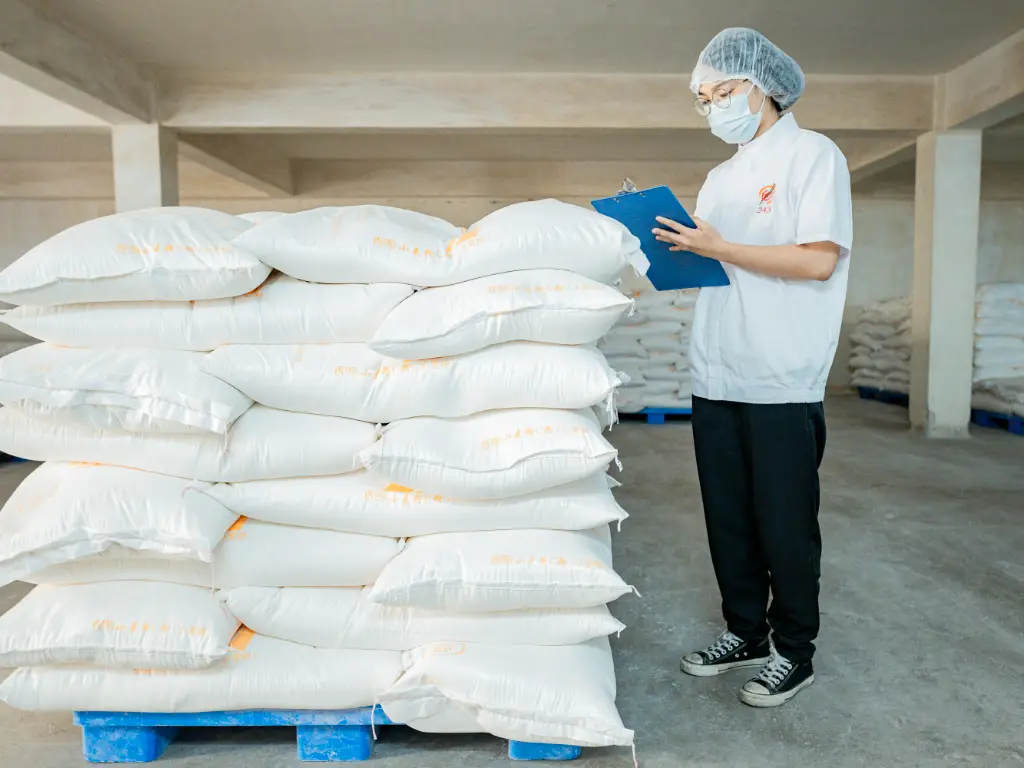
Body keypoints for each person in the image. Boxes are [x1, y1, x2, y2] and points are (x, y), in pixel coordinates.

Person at [651, 28, 853, 708]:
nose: (715, 108)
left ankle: (794, 649)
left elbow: (817, 259)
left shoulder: (812, 155)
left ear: (763, 85)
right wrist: (667, 244)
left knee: (784, 522)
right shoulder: (720, 176)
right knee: (728, 517)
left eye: (725, 91)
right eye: (704, 99)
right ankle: (745, 631)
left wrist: (723, 247)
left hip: (780, 372)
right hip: (719, 368)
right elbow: (715, 258)